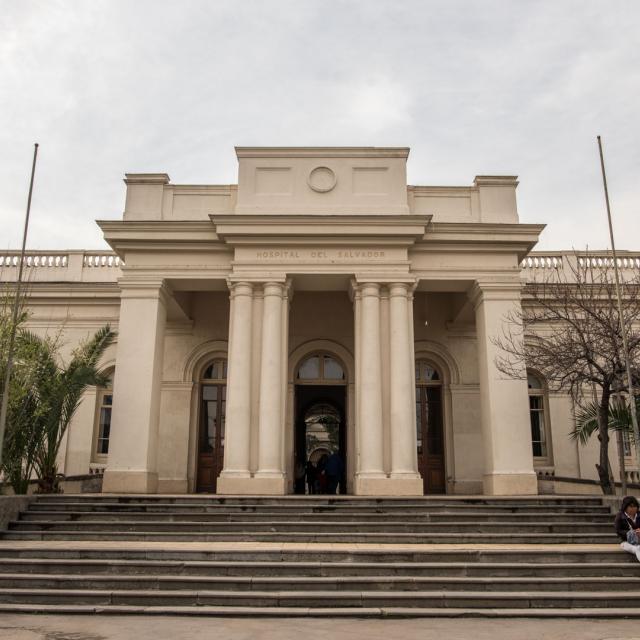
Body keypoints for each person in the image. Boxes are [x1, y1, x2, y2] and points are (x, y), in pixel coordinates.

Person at [615, 495, 640, 562]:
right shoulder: (620, 516)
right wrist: (631, 533)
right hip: (626, 542)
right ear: (625, 507)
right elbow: (618, 531)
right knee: (636, 549)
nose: (633, 508)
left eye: (635, 506)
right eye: (631, 506)